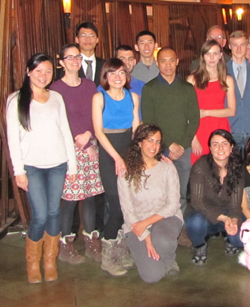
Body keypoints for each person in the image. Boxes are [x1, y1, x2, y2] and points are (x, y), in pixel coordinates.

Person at [6, 53, 77, 283]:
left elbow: (66, 132)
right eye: (39, 71)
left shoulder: (56, 97)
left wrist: (72, 165)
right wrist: (19, 171)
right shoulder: (16, 99)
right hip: (32, 167)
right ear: (29, 71)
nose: (44, 76)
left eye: (48, 71)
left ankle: (50, 261)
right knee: (40, 215)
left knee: (54, 213)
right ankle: (33, 264)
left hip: (58, 164)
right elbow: (12, 139)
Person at [50, 44, 104, 264]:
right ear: (61, 62)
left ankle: (91, 239)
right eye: (69, 57)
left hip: (91, 144)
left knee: (91, 196)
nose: (74, 60)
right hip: (70, 149)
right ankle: (65, 244)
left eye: (77, 57)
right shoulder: (55, 89)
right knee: (70, 199)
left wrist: (90, 134)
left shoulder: (90, 85)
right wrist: (82, 143)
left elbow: (96, 113)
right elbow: (59, 122)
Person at [141, 46, 200, 247]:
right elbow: (148, 123)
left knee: (181, 193)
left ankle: (179, 229)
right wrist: (166, 147)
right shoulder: (149, 89)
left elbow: (194, 119)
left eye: (171, 60)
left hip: (183, 151)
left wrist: (181, 145)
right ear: (157, 63)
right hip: (158, 152)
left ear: (177, 62)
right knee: (160, 193)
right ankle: (159, 229)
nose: (167, 64)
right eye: (163, 61)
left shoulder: (187, 88)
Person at [92, 58, 140, 276]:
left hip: (128, 152)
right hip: (108, 154)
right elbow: (99, 133)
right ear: (106, 76)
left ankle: (121, 249)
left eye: (121, 73)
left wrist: (138, 156)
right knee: (116, 204)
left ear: (127, 75)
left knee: (129, 205)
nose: (117, 77)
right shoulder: (98, 97)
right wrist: (117, 159)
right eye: (112, 73)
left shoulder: (133, 97)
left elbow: (136, 128)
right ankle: (107, 253)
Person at [118, 124, 183, 283]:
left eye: (158, 142)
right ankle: (134, 247)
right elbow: (128, 212)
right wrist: (146, 236)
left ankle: (168, 258)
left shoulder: (167, 167)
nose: (154, 146)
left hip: (166, 218)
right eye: (150, 140)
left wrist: (147, 223)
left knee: (162, 241)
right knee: (153, 276)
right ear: (139, 142)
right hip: (136, 224)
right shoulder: (126, 172)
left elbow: (173, 204)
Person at [184, 130, 244, 265]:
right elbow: (198, 202)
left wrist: (233, 221)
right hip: (203, 213)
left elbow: (235, 204)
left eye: (224, 143)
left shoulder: (237, 167)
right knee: (195, 223)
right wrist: (224, 218)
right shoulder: (201, 166)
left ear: (231, 147)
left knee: (239, 240)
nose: (220, 148)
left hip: (227, 213)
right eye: (215, 144)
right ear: (210, 148)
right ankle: (199, 246)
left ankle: (229, 237)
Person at [187, 40, 236, 164]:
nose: (212, 57)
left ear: (221, 55)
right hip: (199, 129)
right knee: (200, 170)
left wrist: (206, 112)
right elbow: (185, 113)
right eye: (208, 54)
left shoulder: (227, 80)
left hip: (220, 127)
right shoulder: (192, 79)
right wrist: (193, 139)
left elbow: (231, 111)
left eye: (215, 53)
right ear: (203, 56)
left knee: (221, 167)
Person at [59, 22, 105, 86]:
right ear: (77, 39)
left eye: (91, 35)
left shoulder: (105, 65)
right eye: (83, 35)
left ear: (97, 40)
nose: (88, 39)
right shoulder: (70, 65)